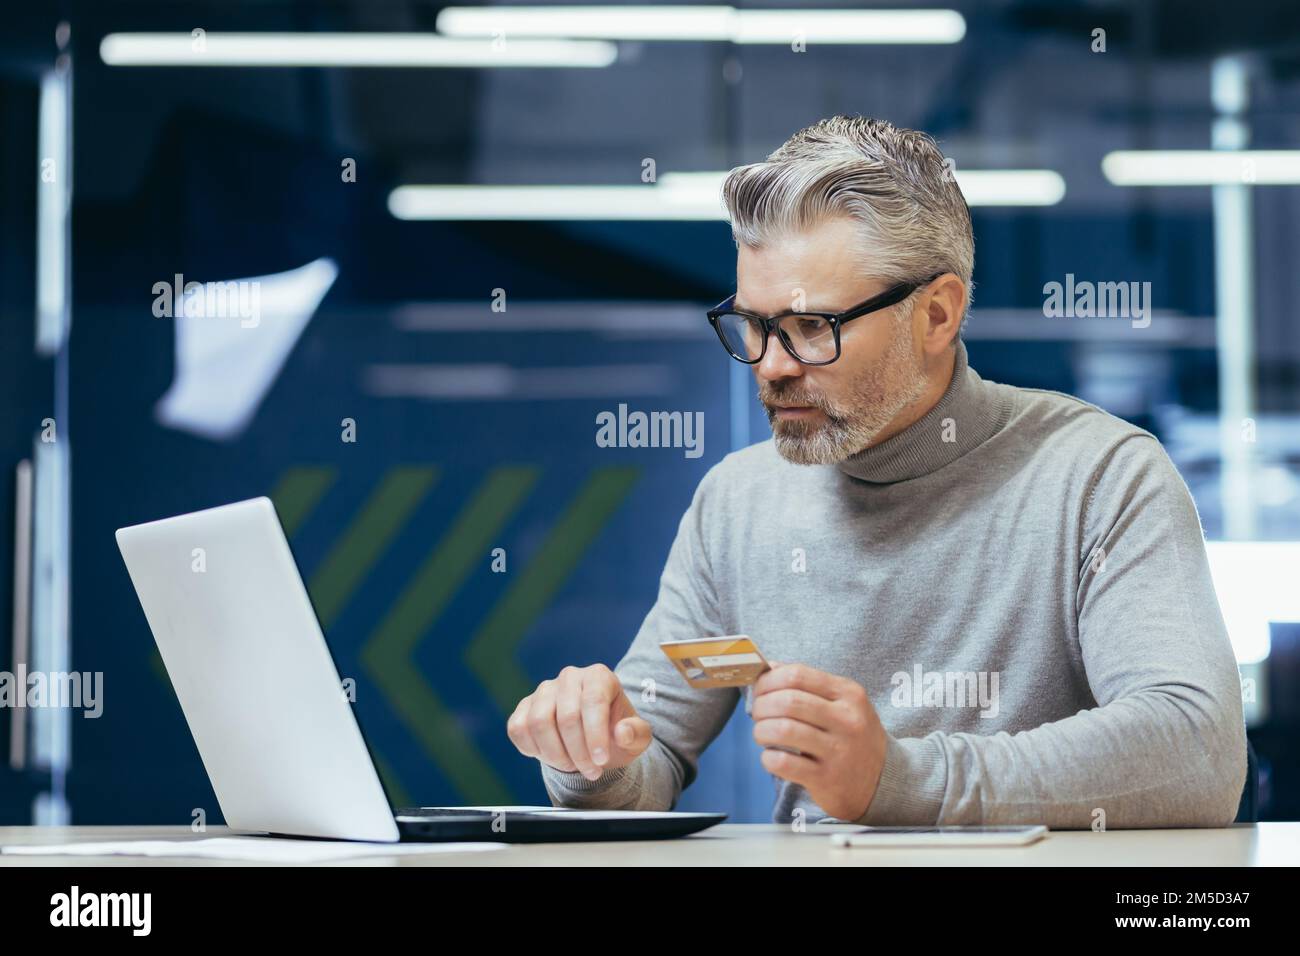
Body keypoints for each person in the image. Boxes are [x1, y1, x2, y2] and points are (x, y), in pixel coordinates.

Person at [506, 115, 1246, 827]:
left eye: (810, 328)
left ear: (937, 315)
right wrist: (591, 758)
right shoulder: (739, 503)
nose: (771, 368)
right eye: (754, 326)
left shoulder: (1099, 478)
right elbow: (653, 750)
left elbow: (1196, 748)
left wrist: (898, 780)